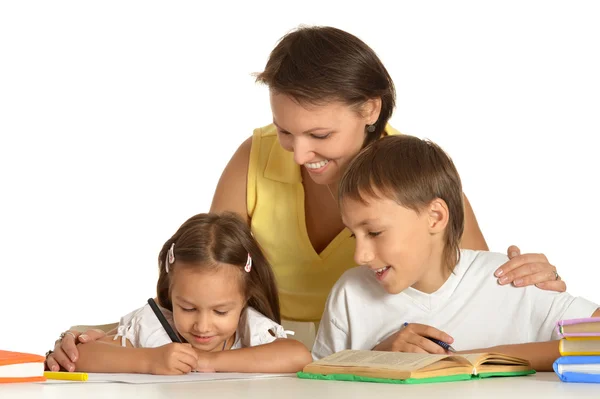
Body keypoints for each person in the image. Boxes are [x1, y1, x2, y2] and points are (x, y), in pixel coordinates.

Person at [46, 25, 566, 372]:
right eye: (286, 131)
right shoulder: (255, 156)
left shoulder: (411, 181)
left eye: (318, 135)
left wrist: (529, 281)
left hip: (367, 352)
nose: (298, 154)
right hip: (258, 353)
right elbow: (207, 279)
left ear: (369, 108)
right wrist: (105, 334)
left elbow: (467, 289)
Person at [312, 135, 599, 371]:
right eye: (354, 234)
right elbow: (315, 381)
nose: (360, 255)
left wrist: (465, 361)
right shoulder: (350, 295)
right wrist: (379, 358)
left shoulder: (510, 280)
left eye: (374, 232)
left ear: (435, 217)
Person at [63, 212, 311, 374]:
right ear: (170, 292)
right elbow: (80, 356)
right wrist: (150, 361)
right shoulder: (153, 327)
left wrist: (207, 361)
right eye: (188, 308)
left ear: (244, 299)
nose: (203, 326)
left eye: (221, 311)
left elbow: (299, 356)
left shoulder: (249, 328)